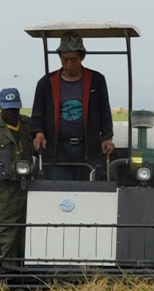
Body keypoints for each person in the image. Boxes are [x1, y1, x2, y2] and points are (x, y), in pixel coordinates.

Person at [31, 31, 114, 180]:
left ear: (82, 57)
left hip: (88, 149)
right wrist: (39, 133)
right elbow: (38, 113)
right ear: (60, 57)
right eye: (65, 59)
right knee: (60, 193)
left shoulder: (97, 80)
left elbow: (105, 112)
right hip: (58, 151)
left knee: (90, 191)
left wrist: (107, 137)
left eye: (74, 59)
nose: (69, 64)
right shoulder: (46, 83)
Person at [0, 88, 34, 260]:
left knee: (29, 236)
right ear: (0, 107)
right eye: (7, 109)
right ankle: (4, 282)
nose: (11, 113)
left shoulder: (28, 125)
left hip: (29, 193)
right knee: (5, 239)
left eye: (14, 109)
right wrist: (20, 170)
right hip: (4, 197)